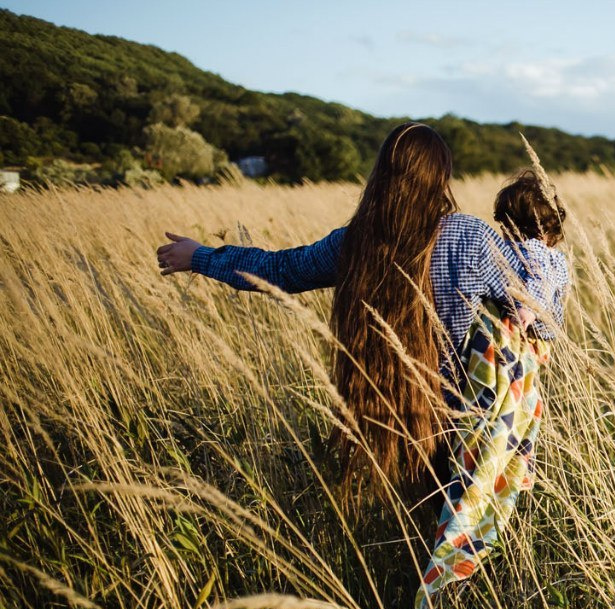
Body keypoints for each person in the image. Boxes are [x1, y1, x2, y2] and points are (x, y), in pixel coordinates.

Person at [154, 122, 559, 550]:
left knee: (416, 537)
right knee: (463, 541)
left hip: (390, 412)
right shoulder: (467, 236)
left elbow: (280, 271)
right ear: (440, 178)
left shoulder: (355, 241)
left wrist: (200, 256)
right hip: (464, 420)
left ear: (383, 174)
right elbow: (538, 310)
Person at [416, 171, 569, 609]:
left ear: (509, 222)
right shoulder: (546, 256)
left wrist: (520, 315)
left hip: (498, 363)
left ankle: (454, 557)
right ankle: (459, 555)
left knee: (485, 451)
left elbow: (533, 296)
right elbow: (542, 308)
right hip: (516, 366)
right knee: (498, 454)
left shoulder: (525, 254)